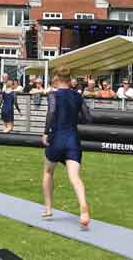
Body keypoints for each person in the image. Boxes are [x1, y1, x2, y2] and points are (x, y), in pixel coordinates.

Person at [41, 68, 92, 229]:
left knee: (48, 171)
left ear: (57, 78)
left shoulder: (53, 95)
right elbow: (88, 118)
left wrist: (45, 132)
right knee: (74, 177)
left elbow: (52, 112)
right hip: (72, 139)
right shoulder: (78, 96)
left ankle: (48, 209)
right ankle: (83, 207)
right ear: (70, 79)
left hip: (57, 137)